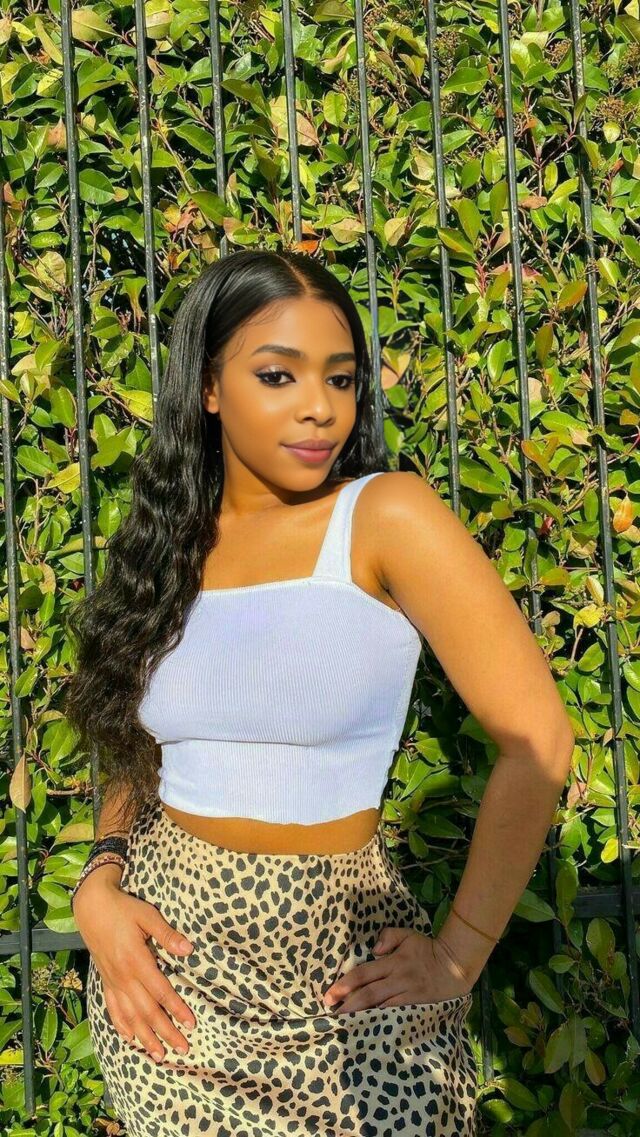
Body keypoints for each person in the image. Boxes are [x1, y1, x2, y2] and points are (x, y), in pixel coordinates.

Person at [64, 248, 575, 1137]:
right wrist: (99, 881)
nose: (320, 407)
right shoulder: (167, 546)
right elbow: (140, 745)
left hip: (344, 982)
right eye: (278, 375)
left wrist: (459, 956)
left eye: (340, 378)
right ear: (209, 387)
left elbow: (540, 741)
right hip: (175, 1001)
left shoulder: (386, 516)